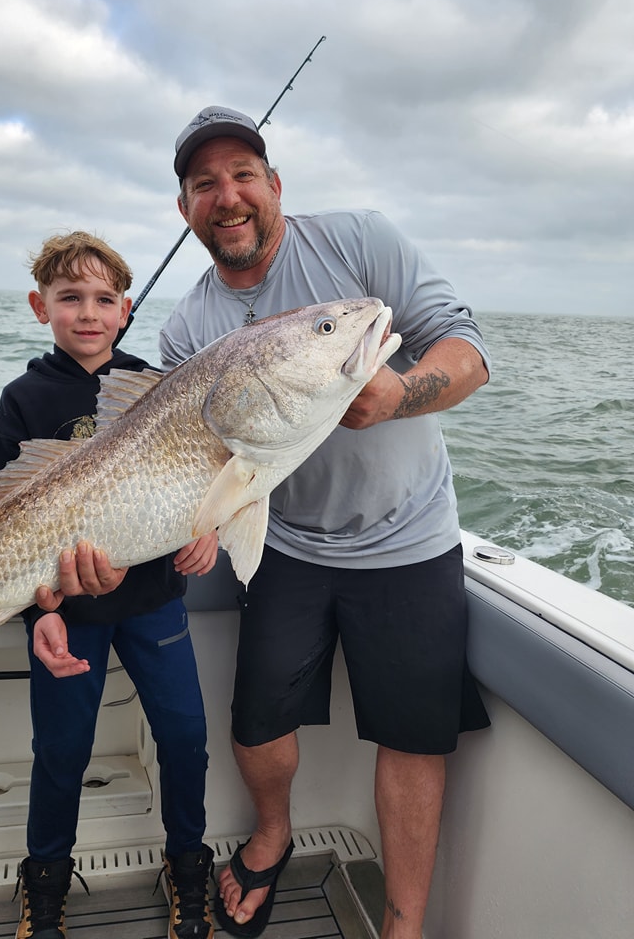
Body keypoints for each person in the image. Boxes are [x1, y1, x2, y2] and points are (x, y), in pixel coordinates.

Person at [158, 107, 493, 939]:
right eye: (205, 184)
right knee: (257, 719)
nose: (226, 196)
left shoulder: (358, 244)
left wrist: (397, 394)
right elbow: (192, 471)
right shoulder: (186, 330)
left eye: (243, 176)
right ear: (186, 209)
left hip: (409, 537)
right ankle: (272, 836)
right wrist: (187, 529)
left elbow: (467, 349)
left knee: (414, 735)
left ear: (275, 186)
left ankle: (404, 925)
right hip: (284, 543)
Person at [0, 231, 218, 939]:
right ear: (40, 306)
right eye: (70, 298)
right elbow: (3, 526)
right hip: (69, 613)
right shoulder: (22, 399)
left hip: (153, 601)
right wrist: (41, 615)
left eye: (104, 299)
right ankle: (46, 885)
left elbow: (202, 467)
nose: (88, 313)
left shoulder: (157, 386)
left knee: (185, 739)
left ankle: (187, 867)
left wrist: (208, 525)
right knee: (61, 753)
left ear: (124, 310)